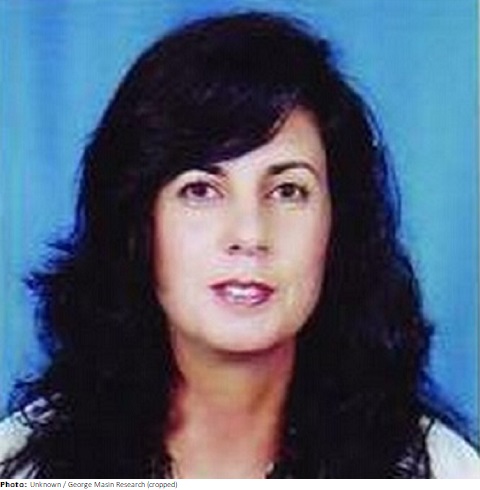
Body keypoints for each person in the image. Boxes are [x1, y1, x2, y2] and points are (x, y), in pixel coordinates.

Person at [0, 11, 478, 479]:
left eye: (288, 191)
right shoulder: (21, 467)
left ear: (339, 226)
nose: (249, 235)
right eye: (200, 190)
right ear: (136, 224)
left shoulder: (442, 472)